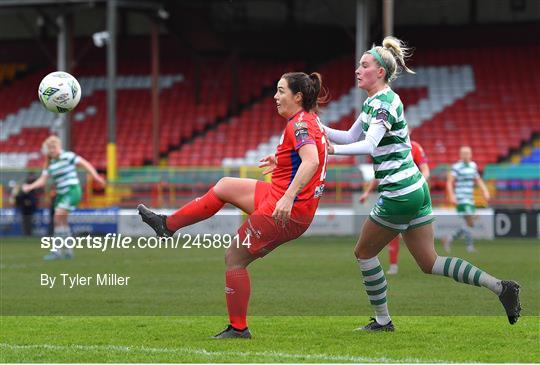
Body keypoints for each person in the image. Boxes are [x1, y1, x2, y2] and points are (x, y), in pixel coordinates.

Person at [323, 36, 521, 331]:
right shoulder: (373, 102)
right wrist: (317, 127)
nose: (357, 70)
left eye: (363, 65)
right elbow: (351, 137)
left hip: (399, 193)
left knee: (363, 253)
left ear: (380, 71)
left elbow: (368, 144)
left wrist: (332, 150)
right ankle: (501, 287)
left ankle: (382, 320)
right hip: (415, 188)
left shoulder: (385, 102)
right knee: (430, 262)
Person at [138, 72, 329, 339]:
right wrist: (282, 159)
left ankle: (238, 328)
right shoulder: (308, 121)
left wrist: (288, 196)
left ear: (297, 97)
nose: (275, 96)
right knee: (225, 185)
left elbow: (311, 161)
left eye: (281, 91)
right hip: (280, 196)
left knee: (234, 258)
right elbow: (321, 151)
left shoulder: (299, 125)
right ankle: (166, 225)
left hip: (286, 208)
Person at [22, 135, 106, 260]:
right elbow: (43, 180)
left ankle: (56, 252)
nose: (52, 150)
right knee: (62, 222)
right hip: (61, 194)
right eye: (49, 148)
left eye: (53, 147)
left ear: (59, 147)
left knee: (57, 217)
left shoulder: (68, 156)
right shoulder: (49, 163)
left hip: (72, 190)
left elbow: (85, 164)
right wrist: (30, 187)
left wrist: (96, 177)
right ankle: (68, 252)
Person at [359, 139, 430, 274]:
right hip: (392, 195)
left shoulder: (415, 147)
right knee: (392, 232)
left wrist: (417, 185)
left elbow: (425, 170)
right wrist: (367, 192)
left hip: (410, 194)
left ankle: (427, 260)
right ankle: (393, 264)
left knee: (415, 235)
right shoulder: (388, 147)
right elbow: (379, 174)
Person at [442, 146, 490, 253]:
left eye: (467, 153)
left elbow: (478, 180)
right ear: (460, 155)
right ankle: (469, 247)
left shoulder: (473, 166)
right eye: (463, 153)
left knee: (470, 223)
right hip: (461, 198)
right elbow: (450, 182)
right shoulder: (456, 167)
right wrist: (451, 195)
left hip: (470, 198)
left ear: (471, 154)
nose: (465, 155)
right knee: (471, 220)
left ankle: (449, 238)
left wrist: (485, 191)